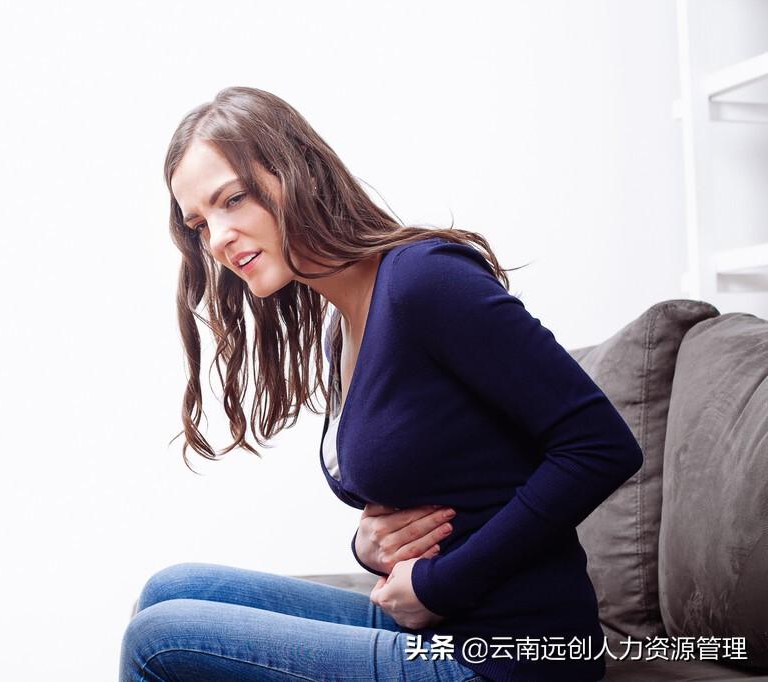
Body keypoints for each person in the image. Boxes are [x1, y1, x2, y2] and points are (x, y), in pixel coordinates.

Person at [119, 86, 638, 681]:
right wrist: (367, 547)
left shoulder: (424, 280)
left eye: (233, 199)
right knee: (171, 588)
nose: (217, 239)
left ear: (297, 172)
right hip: (438, 629)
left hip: (508, 656)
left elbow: (601, 446)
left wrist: (444, 584)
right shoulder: (342, 329)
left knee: (159, 639)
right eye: (199, 224)